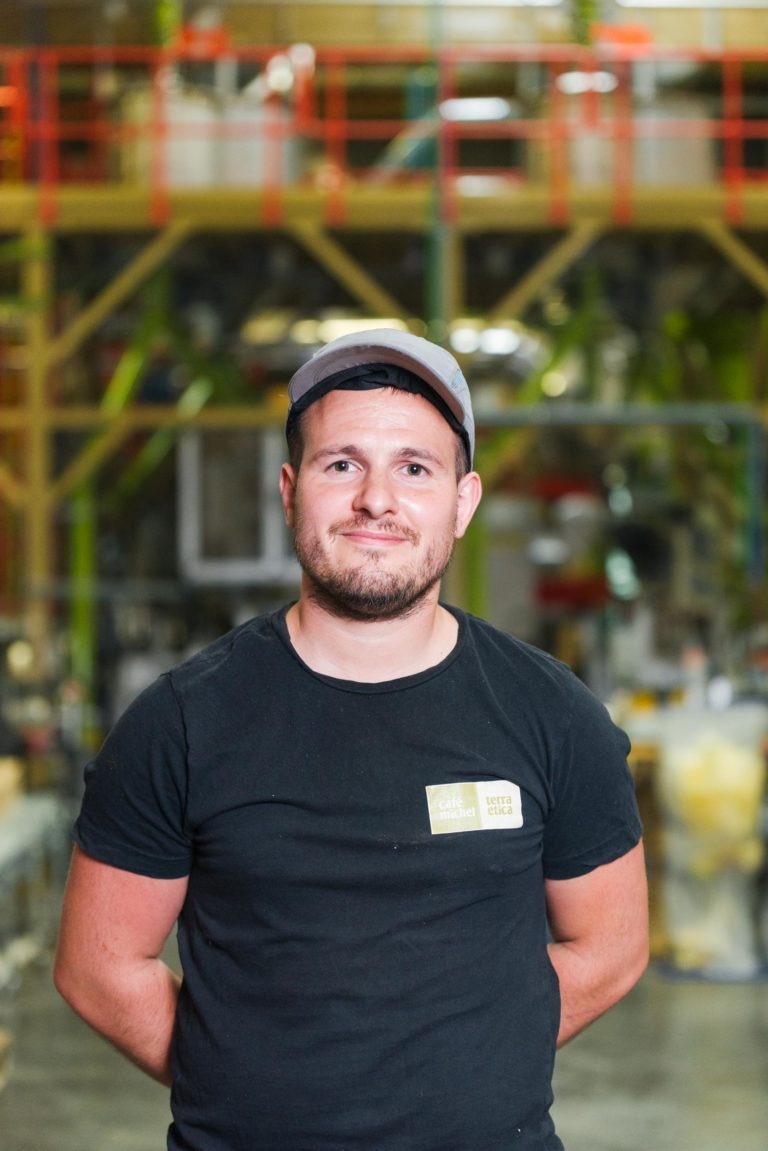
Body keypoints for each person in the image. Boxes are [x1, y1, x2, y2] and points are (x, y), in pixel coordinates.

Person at [54, 328, 648, 1151]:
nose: (378, 499)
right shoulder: (181, 722)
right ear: (291, 490)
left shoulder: (553, 715)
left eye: (415, 467)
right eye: (343, 464)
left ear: (463, 500)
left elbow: (611, 946)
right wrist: (253, 1076)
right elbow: (99, 966)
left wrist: (464, 1061)